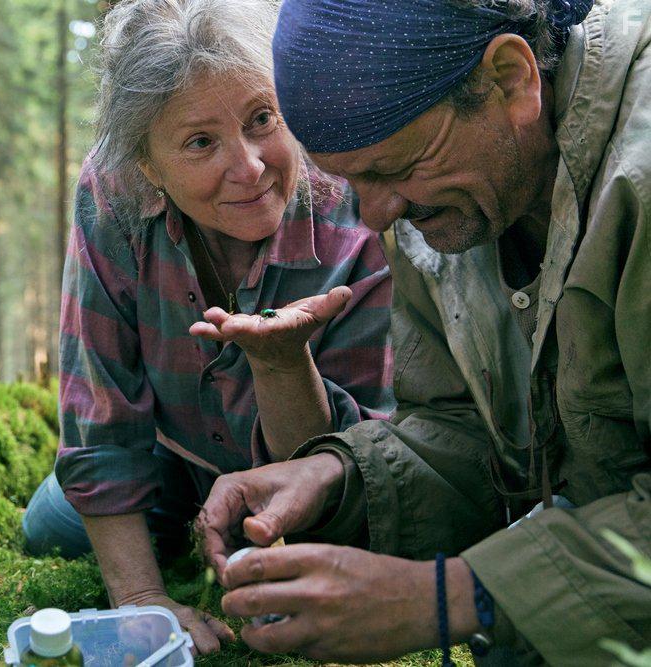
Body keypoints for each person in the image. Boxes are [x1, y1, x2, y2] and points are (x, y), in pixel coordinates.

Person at [197, 0, 651, 664]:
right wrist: (338, 475)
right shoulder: (453, 201)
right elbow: (467, 430)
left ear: (510, 79)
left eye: (392, 168)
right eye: (352, 181)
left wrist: (451, 598)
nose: (379, 214)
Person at [20, 0, 395, 656]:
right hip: (172, 459)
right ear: (148, 168)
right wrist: (140, 600)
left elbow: (365, 460)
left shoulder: (356, 205)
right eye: (201, 142)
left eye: (262, 119)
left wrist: (283, 365)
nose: (249, 166)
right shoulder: (111, 195)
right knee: (52, 525)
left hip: (315, 483)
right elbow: (100, 410)